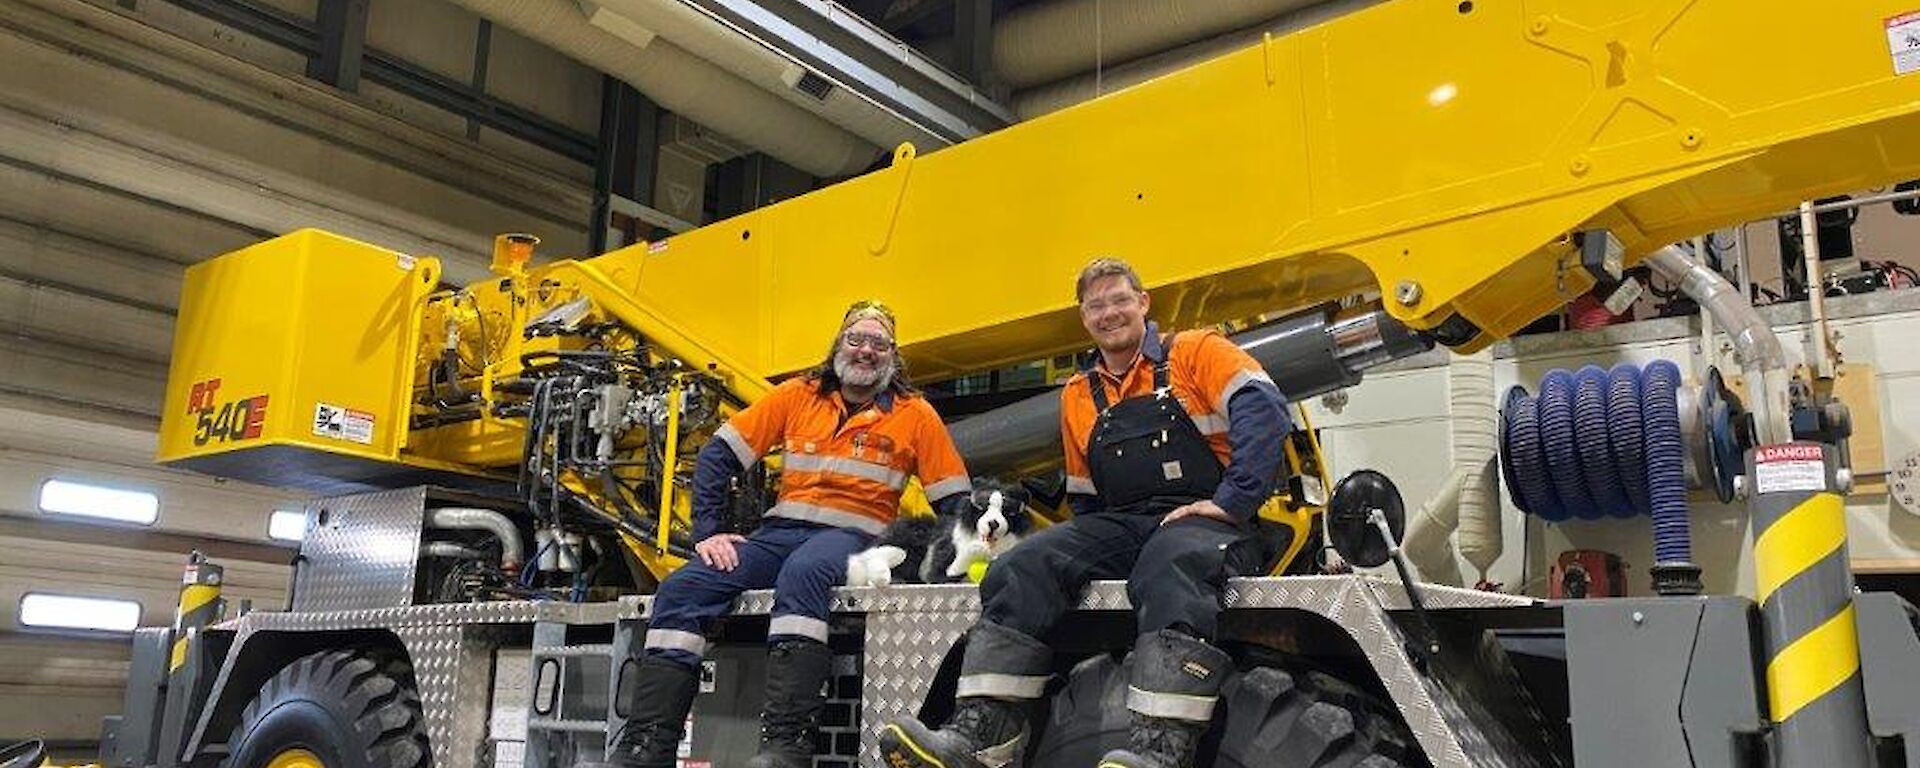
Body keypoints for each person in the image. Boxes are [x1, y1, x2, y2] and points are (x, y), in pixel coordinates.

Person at [879, 258, 1292, 768]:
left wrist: (1233, 502)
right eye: (1096, 306)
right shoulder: (1078, 394)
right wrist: (1085, 551)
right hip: (1126, 522)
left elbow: (1264, 408)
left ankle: (1160, 751)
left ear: (1143, 303)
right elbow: (1086, 498)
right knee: (1023, 565)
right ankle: (981, 738)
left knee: (1170, 563)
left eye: (1120, 299)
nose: (1109, 313)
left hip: (1208, 519)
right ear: (1084, 318)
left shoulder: (1196, 351)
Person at [606, 300, 973, 768]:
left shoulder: (915, 414)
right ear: (838, 345)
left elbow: (955, 502)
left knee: (802, 575)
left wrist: (951, 564)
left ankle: (785, 746)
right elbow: (718, 455)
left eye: (878, 344)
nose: (865, 351)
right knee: (684, 586)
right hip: (778, 534)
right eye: (855, 339)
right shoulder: (797, 395)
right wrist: (709, 533)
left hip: (855, 537)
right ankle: (645, 748)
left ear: (893, 356)